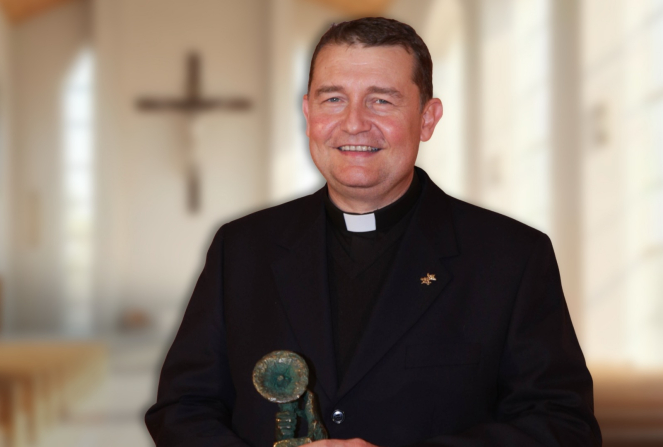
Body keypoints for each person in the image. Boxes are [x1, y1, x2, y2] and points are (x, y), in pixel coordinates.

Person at [145, 17, 601, 447]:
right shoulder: (242, 248)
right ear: (308, 113)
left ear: (427, 117)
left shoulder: (511, 257)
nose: (354, 123)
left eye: (381, 100)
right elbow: (182, 408)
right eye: (333, 99)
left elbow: (563, 426)